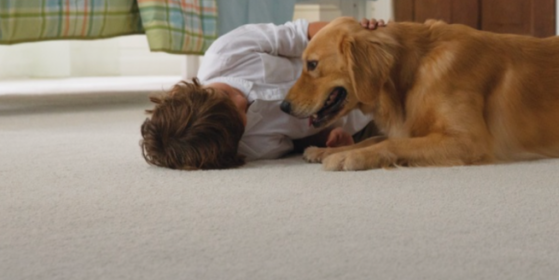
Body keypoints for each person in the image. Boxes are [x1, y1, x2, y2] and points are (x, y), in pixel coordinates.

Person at [140, 18, 385, 170]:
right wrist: (331, 137)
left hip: (357, 59)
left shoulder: (226, 52)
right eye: (242, 114)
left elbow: (303, 34)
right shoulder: (249, 147)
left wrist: (357, 35)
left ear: (193, 87)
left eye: (227, 96)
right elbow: (296, 142)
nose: (242, 100)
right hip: (362, 121)